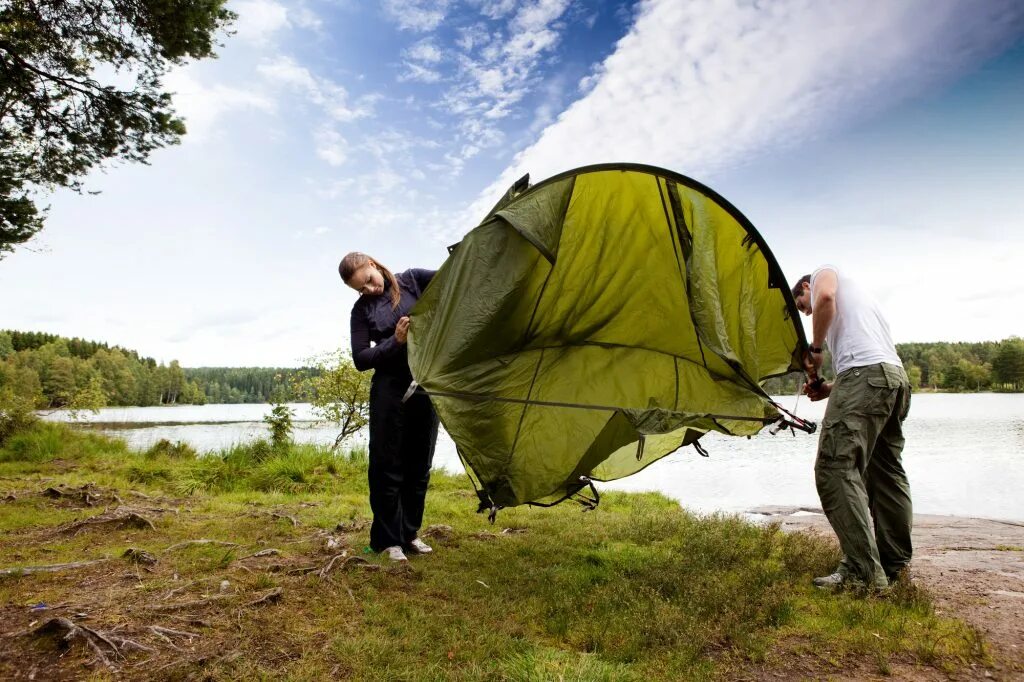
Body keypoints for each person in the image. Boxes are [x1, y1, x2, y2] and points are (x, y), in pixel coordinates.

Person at [792, 266, 912, 592]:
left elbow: (825, 296)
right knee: (885, 472)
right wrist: (829, 388)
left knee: (834, 467)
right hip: (893, 379)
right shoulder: (861, 302)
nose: (806, 312)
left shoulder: (822, 275)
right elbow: (872, 362)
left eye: (803, 305)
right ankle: (894, 566)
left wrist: (815, 350)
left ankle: (863, 572)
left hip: (865, 377)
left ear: (805, 285)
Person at [340, 252, 438, 562]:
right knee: (387, 467)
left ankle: (409, 534)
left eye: (368, 280)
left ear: (373, 264)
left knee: (419, 465)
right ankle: (387, 540)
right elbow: (360, 359)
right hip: (389, 392)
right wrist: (394, 341)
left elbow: (456, 279)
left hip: (424, 385)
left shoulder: (413, 280)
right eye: (360, 288)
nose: (368, 289)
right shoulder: (361, 311)